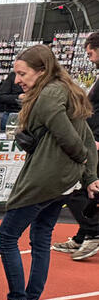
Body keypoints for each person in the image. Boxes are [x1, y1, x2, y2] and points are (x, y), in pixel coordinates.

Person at [0, 44, 99, 300]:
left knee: (6, 237)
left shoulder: (48, 96)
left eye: (22, 74)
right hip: (62, 183)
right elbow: (85, 136)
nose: (17, 80)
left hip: (47, 180)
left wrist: (82, 161)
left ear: (42, 71)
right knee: (41, 238)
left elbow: (74, 140)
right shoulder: (65, 90)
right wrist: (89, 175)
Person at [55, 32, 99, 261]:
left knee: (78, 189)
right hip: (92, 139)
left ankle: (93, 232)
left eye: (90, 54)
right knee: (89, 190)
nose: (89, 59)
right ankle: (85, 235)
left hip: (95, 142)